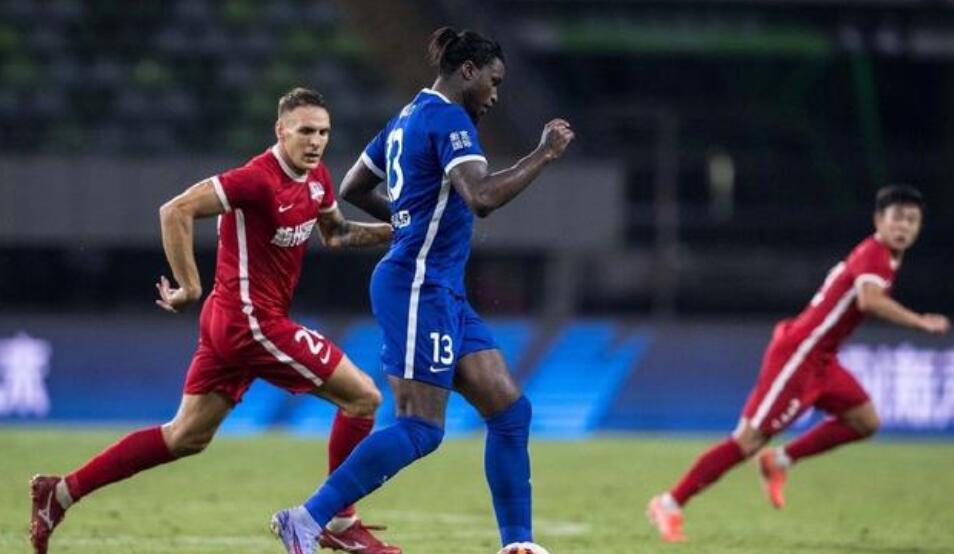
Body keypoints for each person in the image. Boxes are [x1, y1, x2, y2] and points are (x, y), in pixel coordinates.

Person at [29, 88, 402, 554]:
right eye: (306, 131)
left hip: (235, 322)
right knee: (363, 397)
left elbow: (337, 234)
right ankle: (340, 521)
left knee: (185, 436)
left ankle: (61, 493)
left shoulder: (317, 178)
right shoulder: (256, 179)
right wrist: (189, 285)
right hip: (250, 321)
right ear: (281, 130)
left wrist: (398, 231)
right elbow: (175, 210)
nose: (315, 142)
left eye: (323, 132)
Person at [269, 28, 574, 554]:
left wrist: (407, 219)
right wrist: (543, 154)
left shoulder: (406, 117)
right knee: (421, 428)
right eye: (494, 81)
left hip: (441, 288)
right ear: (469, 71)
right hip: (417, 285)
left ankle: (517, 545)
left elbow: (353, 187)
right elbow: (481, 197)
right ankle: (307, 518)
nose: (495, 95)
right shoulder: (449, 119)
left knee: (510, 412)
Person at [647, 185, 950, 542]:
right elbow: (869, 300)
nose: (904, 226)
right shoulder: (876, 254)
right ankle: (669, 503)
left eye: (912, 220)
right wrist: (920, 322)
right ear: (878, 220)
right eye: (897, 218)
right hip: (799, 356)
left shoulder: (888, 258)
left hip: (822, 359)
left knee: (864, 421)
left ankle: (780, 460)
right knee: (748, 440)